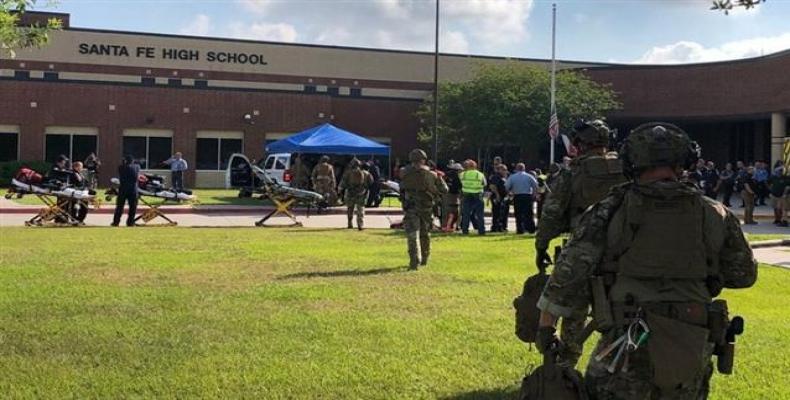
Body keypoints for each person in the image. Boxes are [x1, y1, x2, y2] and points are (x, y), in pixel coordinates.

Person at [535, 122, 757, 399]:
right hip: (691, 343)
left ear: (632, 162)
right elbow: (744, 274)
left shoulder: (609, 210)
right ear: (683, 162)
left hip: (626, 341)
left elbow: (568, 276)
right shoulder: (715, 213)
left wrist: (546, 328)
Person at [533, 119, 627, 367]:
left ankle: (565, 367)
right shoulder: (629, 169)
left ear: (579, 143)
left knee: (572, 311)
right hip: (626, 253)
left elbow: (552, 214)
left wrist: (541, 245)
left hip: (582, 250)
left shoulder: (572, 172)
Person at [400, 149, 448, 269]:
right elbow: (444, 190)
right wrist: (439, 178)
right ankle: (425, 258)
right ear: (424, 159)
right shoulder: (432, 174)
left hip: (411, 208)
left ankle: (414, 261)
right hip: (426, 208)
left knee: (412, 235)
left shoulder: (404, 173)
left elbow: (402, 187)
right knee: (425, 234)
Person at [339, 158, 373, 230]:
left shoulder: (347, 173)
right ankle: (360, 225)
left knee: (350, 208)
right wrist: (365, 187)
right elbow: (371, 181)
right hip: (361, 193)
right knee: (360, 209)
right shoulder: (365, 173)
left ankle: (349, 223)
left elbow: (343, 183)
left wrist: (340, 189)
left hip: (350, 193)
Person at [505, 163, 538, 234]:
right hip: (527, 196)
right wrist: (534, 195)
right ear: (524, 168)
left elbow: (507, 186)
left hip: (517, 196)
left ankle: (520, 229)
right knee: (529, 213)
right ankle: (531, 229)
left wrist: (510, 193)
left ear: (516, 168)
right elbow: (535, 186)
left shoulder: (512, 177)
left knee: (518, 214)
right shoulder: (529, 176)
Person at [459, 159, 486, 235]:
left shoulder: (462, 174)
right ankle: (481, 231)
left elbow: (461, 182)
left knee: (466, 214)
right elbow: (484, 183)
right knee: (479, 214)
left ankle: (465, 230)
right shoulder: (479, 174)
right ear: (475, 166)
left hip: (467, 195)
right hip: (477, 194)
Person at [112, 155, 140, 227]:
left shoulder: (121, 167)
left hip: (123, 189)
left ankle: (116, 222)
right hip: (133, 189)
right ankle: (130, 222)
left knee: (119, 207)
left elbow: (121, 167)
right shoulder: (137, 167)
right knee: (133, 207)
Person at [442, 162, 463, 232]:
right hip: (454, 195)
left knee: (446, 211)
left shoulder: (446, 175)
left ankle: (444, 226)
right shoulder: (456, 176)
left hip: (445, 194)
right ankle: (453, 227)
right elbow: (460, 186)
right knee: (455, 211)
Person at [488, 164, 510, 232]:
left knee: (501, 212)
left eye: (505, 170)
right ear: (499, 170)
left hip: (502, 197)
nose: (505, 171)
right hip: (497, 197)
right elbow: (492, 186)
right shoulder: (496, 177)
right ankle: (495, 227)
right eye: (503, 170)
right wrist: (497, 195)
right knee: (497, 212)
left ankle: (501, 227)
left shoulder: (503, 177)